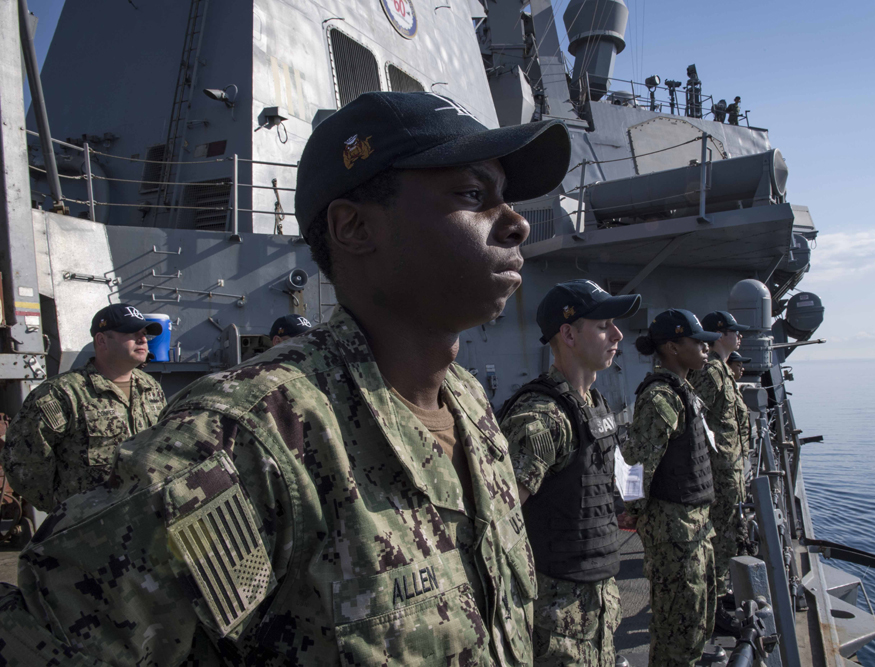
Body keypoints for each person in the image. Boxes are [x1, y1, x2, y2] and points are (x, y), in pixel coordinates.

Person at [0, 91, 572, 665]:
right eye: (473, 195)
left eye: (506, 198)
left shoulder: (468, 402)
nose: (517, 223)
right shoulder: (250, 438)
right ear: (354, 227)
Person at [498, 280, 641, 666]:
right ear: (569, 335)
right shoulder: (542, 418)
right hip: (557, 620)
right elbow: (498, 522)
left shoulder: (595, 403)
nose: (617, 335)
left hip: (597, 608)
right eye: (603, 326)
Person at [622, 310, 721, 667]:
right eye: (697, 342)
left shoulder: (683, 390)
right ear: (672, 347)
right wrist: (632, 511)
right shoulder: (660, 396)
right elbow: (637, 465)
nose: (706, 348)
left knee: (697, 623)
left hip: (695, 526)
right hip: (674, 532)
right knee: (677, 632)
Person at [0, 304, 166, 512]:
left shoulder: (151, 388)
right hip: (88, 521)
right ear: (102, 340)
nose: (142, 339)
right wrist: (63, 510)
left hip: (144, 514)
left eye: (144, 333)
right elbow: (23, 461)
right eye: (131, 332)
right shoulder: (61, 392)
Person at [689, 311, 750, 632]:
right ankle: (711, 610)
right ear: (719, 334)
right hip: (718, 473)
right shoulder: (711, 373)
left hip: (730, 472)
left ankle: (719, 596)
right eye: (734, 331)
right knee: (717, 541)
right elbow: (692, 420)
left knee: (726, 538)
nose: (739, 336)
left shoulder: (723, 371)